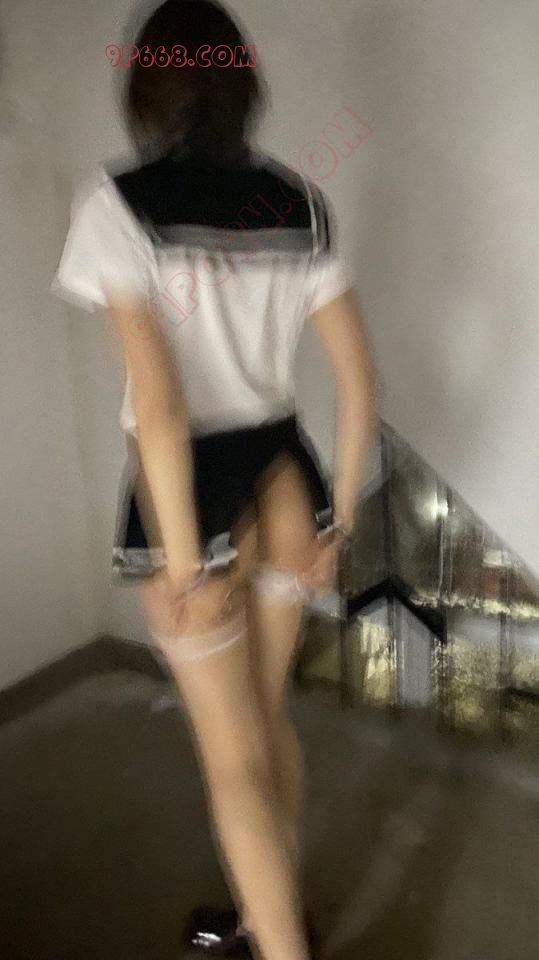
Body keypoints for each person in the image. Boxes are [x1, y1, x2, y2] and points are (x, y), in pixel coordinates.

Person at [52, 2, 376, 958]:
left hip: (190, 491)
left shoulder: (117, 204)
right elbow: (359, 381)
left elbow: (159, 408)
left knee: (230, 760)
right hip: (286, 474)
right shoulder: (299, 201)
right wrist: (339, 524)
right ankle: (262, 918)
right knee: (268, 721)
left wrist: (187, 563)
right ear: (242, 85)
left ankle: (276, 946)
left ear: (146, 89)